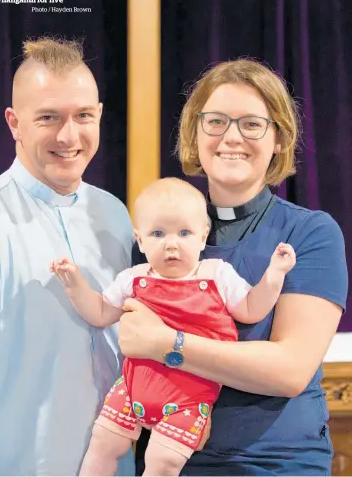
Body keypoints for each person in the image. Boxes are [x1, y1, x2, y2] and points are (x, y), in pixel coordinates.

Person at [0, 37, 135, 476]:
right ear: (14, 122)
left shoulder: (115, 215)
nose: (69, 136)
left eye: (83, 116)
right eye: (48, 117)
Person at [121, 59, 348, 476]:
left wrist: (166, 344)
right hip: (171, 463)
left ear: (278, 137)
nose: (231, 137)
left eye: (251, 124)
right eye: (216, 121)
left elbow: (290, 370)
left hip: (276, 465)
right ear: (194, 132)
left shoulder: (309, 233)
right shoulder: (159, 235)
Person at [51, 177, 296, 476]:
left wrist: (275, 274)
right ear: (140, 241)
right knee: (101, 444)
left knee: (162, 461)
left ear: (203, 237)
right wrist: (74, 284)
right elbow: (100, 313)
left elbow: (251, 308)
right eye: (158, 233)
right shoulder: (133, 278)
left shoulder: (216, 274)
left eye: (184, 233)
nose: (171, 244)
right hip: (131, 389)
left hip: (187, 400)